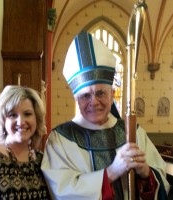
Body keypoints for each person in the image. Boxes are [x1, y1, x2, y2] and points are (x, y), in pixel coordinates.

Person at [41, 31, 170, 200]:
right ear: (76, 99)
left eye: (100, 93)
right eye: (85, 96)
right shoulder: (60, 139)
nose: (94, 102)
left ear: (112, 93)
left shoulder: (133, 133)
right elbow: (62, 191)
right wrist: (111, 172)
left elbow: (161, 183)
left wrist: (146, 173)